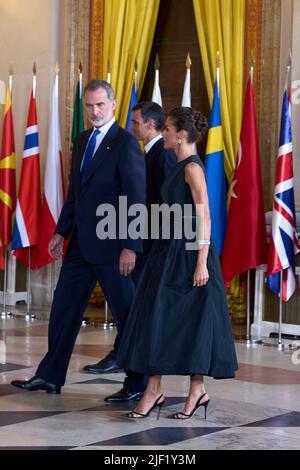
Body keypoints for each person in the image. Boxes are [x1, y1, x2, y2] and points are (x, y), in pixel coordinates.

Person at [11, 80, 147, 402]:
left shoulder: (126, 144)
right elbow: (76, 192)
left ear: (113, 104)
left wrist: (131, 246)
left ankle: (138, 383)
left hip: (114, 247)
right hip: (80, 245)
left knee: (127, 315)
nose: (94, 111)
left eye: (100, 105)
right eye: (89, 106)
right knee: (63, 310)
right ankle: (49, 375)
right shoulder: (84, 140)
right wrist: (61, 231)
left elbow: (135, 198)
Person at [116, 107, 238, 419]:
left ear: (181, 134)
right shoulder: (180, 164)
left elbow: (205, 216)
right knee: (165, 322)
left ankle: (173, 390)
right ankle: (180, 390)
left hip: (188, 256)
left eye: (168, 128)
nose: (165, 132)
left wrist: (201, 263)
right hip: (168, 252)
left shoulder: (193, 168)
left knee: (178, 323)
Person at [83, 101, 177, 375]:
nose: (131, 126)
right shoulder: (148, 152)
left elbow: (165, 203)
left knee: (135, 305)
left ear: (150, 124)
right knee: (132, 305)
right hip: (142, 243)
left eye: (135, 122)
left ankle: (129, 361)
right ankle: (122, 355)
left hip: (150, 246)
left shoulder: (162, 155)